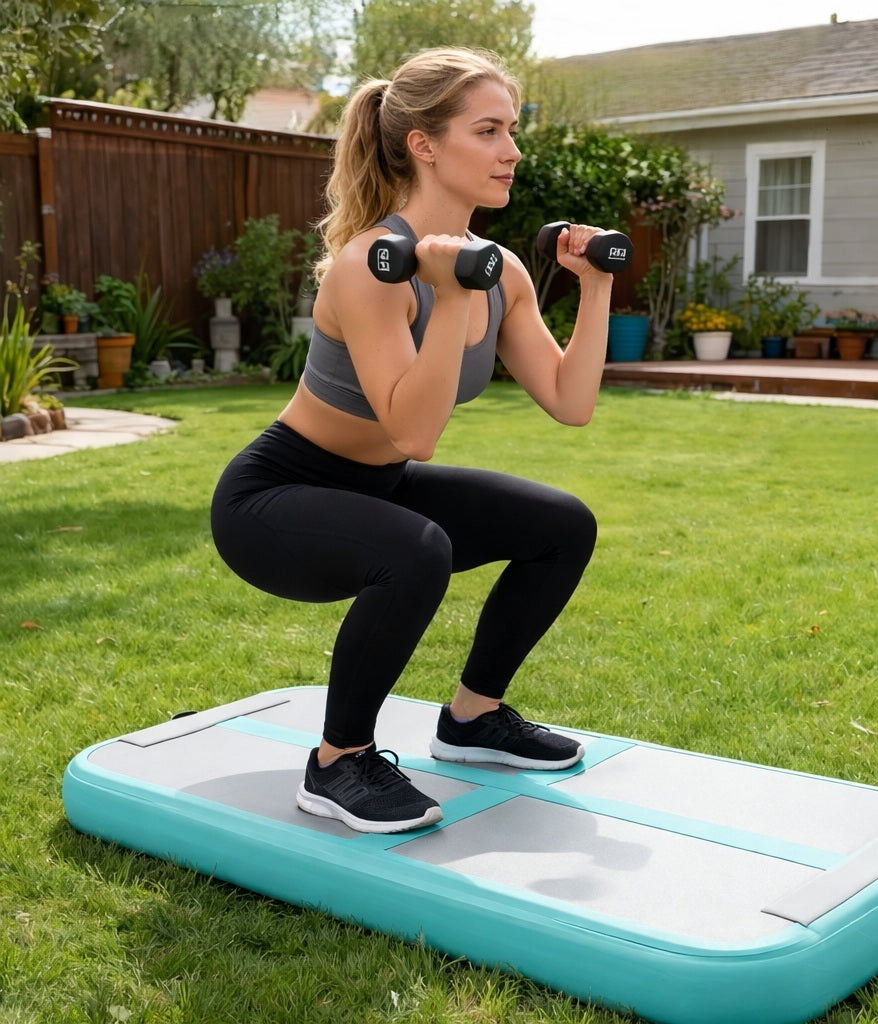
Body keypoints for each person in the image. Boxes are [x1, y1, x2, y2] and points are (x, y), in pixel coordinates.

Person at [210, 47, 614, 835]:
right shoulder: (370, 265)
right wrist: (449, 291)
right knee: (418, 548)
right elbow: (416, 431)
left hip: (379, 488)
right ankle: (336, 763)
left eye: (513, 130)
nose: (513, 151)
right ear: (424, 145)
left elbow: (571, 401)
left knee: (562, 526)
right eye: (489, 131)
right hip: (275, 500)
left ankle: (472, 720)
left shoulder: (501, 275)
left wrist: (594, 286)